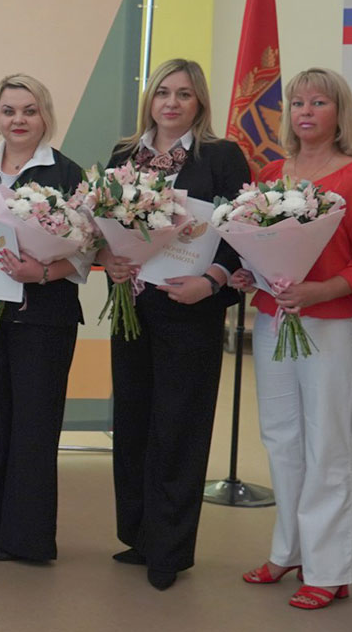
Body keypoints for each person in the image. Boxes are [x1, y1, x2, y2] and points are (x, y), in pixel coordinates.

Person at [228, 68, 352, 610]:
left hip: (330, 323)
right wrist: (250, 273)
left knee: (328, 442)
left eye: (319, 102)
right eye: (297, 103)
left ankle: (330, 568)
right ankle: (289, 550)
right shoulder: (273, 174)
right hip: (275, 319)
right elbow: (261, 245)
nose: (305, 111)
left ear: (339, 114)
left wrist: (319, 291)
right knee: (281, 438)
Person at [99, 58, 249, 590]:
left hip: (190, 308)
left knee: (179, 427)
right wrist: (109, 260)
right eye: (163, 92)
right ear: (150, 99)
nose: (171, 102)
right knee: (134, 423)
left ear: (199, 102)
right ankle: (139, 535)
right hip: (133, 307)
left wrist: (211, 281)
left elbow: (242, 231)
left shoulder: (221, 156)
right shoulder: (125, 155)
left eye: (184, 94)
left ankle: (169, 549)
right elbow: (102, 228)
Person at [0, 74, 87, 565]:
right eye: (9, 110)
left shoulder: (68, 173)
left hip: (45, 319)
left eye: (29, 111)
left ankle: (25, 539)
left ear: (45, 115)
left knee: (34, 427)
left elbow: (88, 249)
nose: (18, 120)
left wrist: (44, 272)